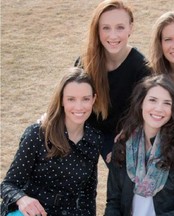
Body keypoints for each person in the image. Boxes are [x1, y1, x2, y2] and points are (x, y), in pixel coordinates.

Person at [0, 67, 103, 216]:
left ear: (93, 99)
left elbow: (88, 194)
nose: (79, 106)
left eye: (85, 99)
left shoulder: (94, 139)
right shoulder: (37, 134)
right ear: (61, 99)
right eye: (71, 99)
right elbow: (8, 185)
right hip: (29, 212)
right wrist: (22, 199)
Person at [104, 75, 174, 216]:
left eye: (167, 103)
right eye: (153, 100)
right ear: (141, 102)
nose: (159, 108)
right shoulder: (123, 146)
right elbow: (113, 202)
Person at [74, 0, 151, 164]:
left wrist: (123, 140)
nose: (113, 35)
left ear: (131, 27)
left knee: (122, 170)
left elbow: (143, 114)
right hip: (86, 128)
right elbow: (70, 101)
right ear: (97, 29)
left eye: (120, 27)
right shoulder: (85, 63)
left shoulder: (142, 68)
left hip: (122, 132)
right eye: (106, 28)